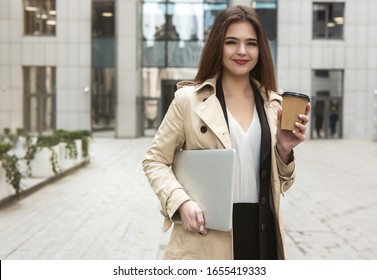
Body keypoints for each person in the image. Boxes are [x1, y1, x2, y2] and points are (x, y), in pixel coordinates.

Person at [142, 5, 310, 260]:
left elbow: (282, 184)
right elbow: (155, 161)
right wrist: (180, 202)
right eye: (232, 42)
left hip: (263, 234)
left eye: (251, 43)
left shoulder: (273, 104)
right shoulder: (188, 100)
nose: (242, 51)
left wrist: (284, 150)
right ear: (218, 46)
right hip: (206, 235)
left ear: (260, 50)